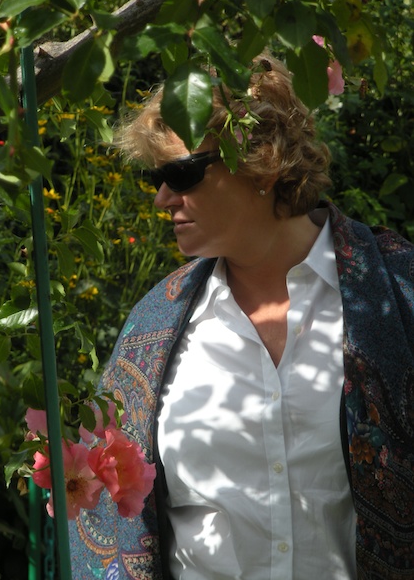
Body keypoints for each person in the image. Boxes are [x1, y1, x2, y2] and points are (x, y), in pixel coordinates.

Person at [69, 53, 414, 580]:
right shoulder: (152, 328)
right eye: (158, 178)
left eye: (181, 173)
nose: (163, 199)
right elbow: (111, 518)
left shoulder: (394, 295)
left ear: (263, 162)